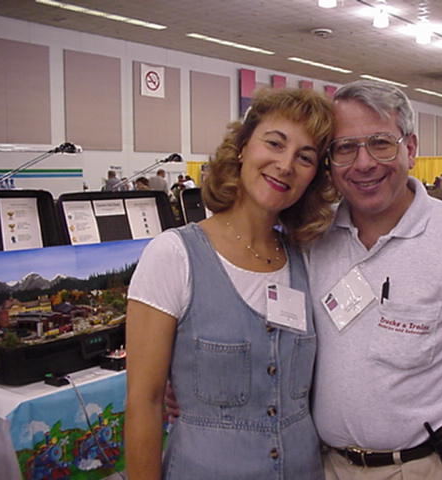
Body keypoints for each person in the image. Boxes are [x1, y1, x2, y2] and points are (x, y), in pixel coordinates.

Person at [308, 80, 442, 480]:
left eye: (380, 143)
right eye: (345, 148)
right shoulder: (313, 239)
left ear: (409, 148)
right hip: (326, 467)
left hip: (425, 468)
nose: (364, 163)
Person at [125, 87, 336, 480]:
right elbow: (145, 402)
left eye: (305, 158)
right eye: (274, 143)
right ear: (242, 147)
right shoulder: (174, 255)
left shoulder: (307, 259)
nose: (285, 164)